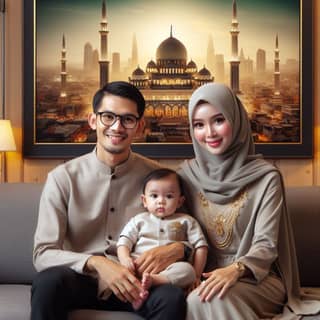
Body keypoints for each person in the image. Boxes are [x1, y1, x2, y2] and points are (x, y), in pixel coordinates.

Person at [31, 81, 188, 320]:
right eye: (108, 116)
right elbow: (43, 253)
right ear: (93, 120)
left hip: (137, 284)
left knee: (171, 298)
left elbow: (186, 234)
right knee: (48, 283)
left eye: (127, 119)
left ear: (140, 126)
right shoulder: (63, 178)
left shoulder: (158, 179)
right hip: (82, 280)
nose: (117, 126)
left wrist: (177, 249)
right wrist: (97, 263)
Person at [179, 83, 320, 319]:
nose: (210, 133)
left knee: (206, 299)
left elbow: (266, 245)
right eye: (199, 125)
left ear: (237, 120)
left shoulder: (266, 178)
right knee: (202, 296)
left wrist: (234, 270)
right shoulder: (186, 176)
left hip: (256, 277)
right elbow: (180, 234)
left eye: (219, 120)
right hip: (204, 276)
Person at [116, 168, 208, 310]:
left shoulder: (186, 221)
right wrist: (125, 259)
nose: (161, 201)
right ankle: (138, 293)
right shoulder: (139, 220)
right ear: (144, 200)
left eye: (169, 196)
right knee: (124, 272)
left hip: (170, 270)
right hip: (140, 264)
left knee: (187, 270)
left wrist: (196, 276)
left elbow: (201, 246)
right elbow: (123, 242)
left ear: (180, 201)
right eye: (154, 196)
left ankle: (152, 282)